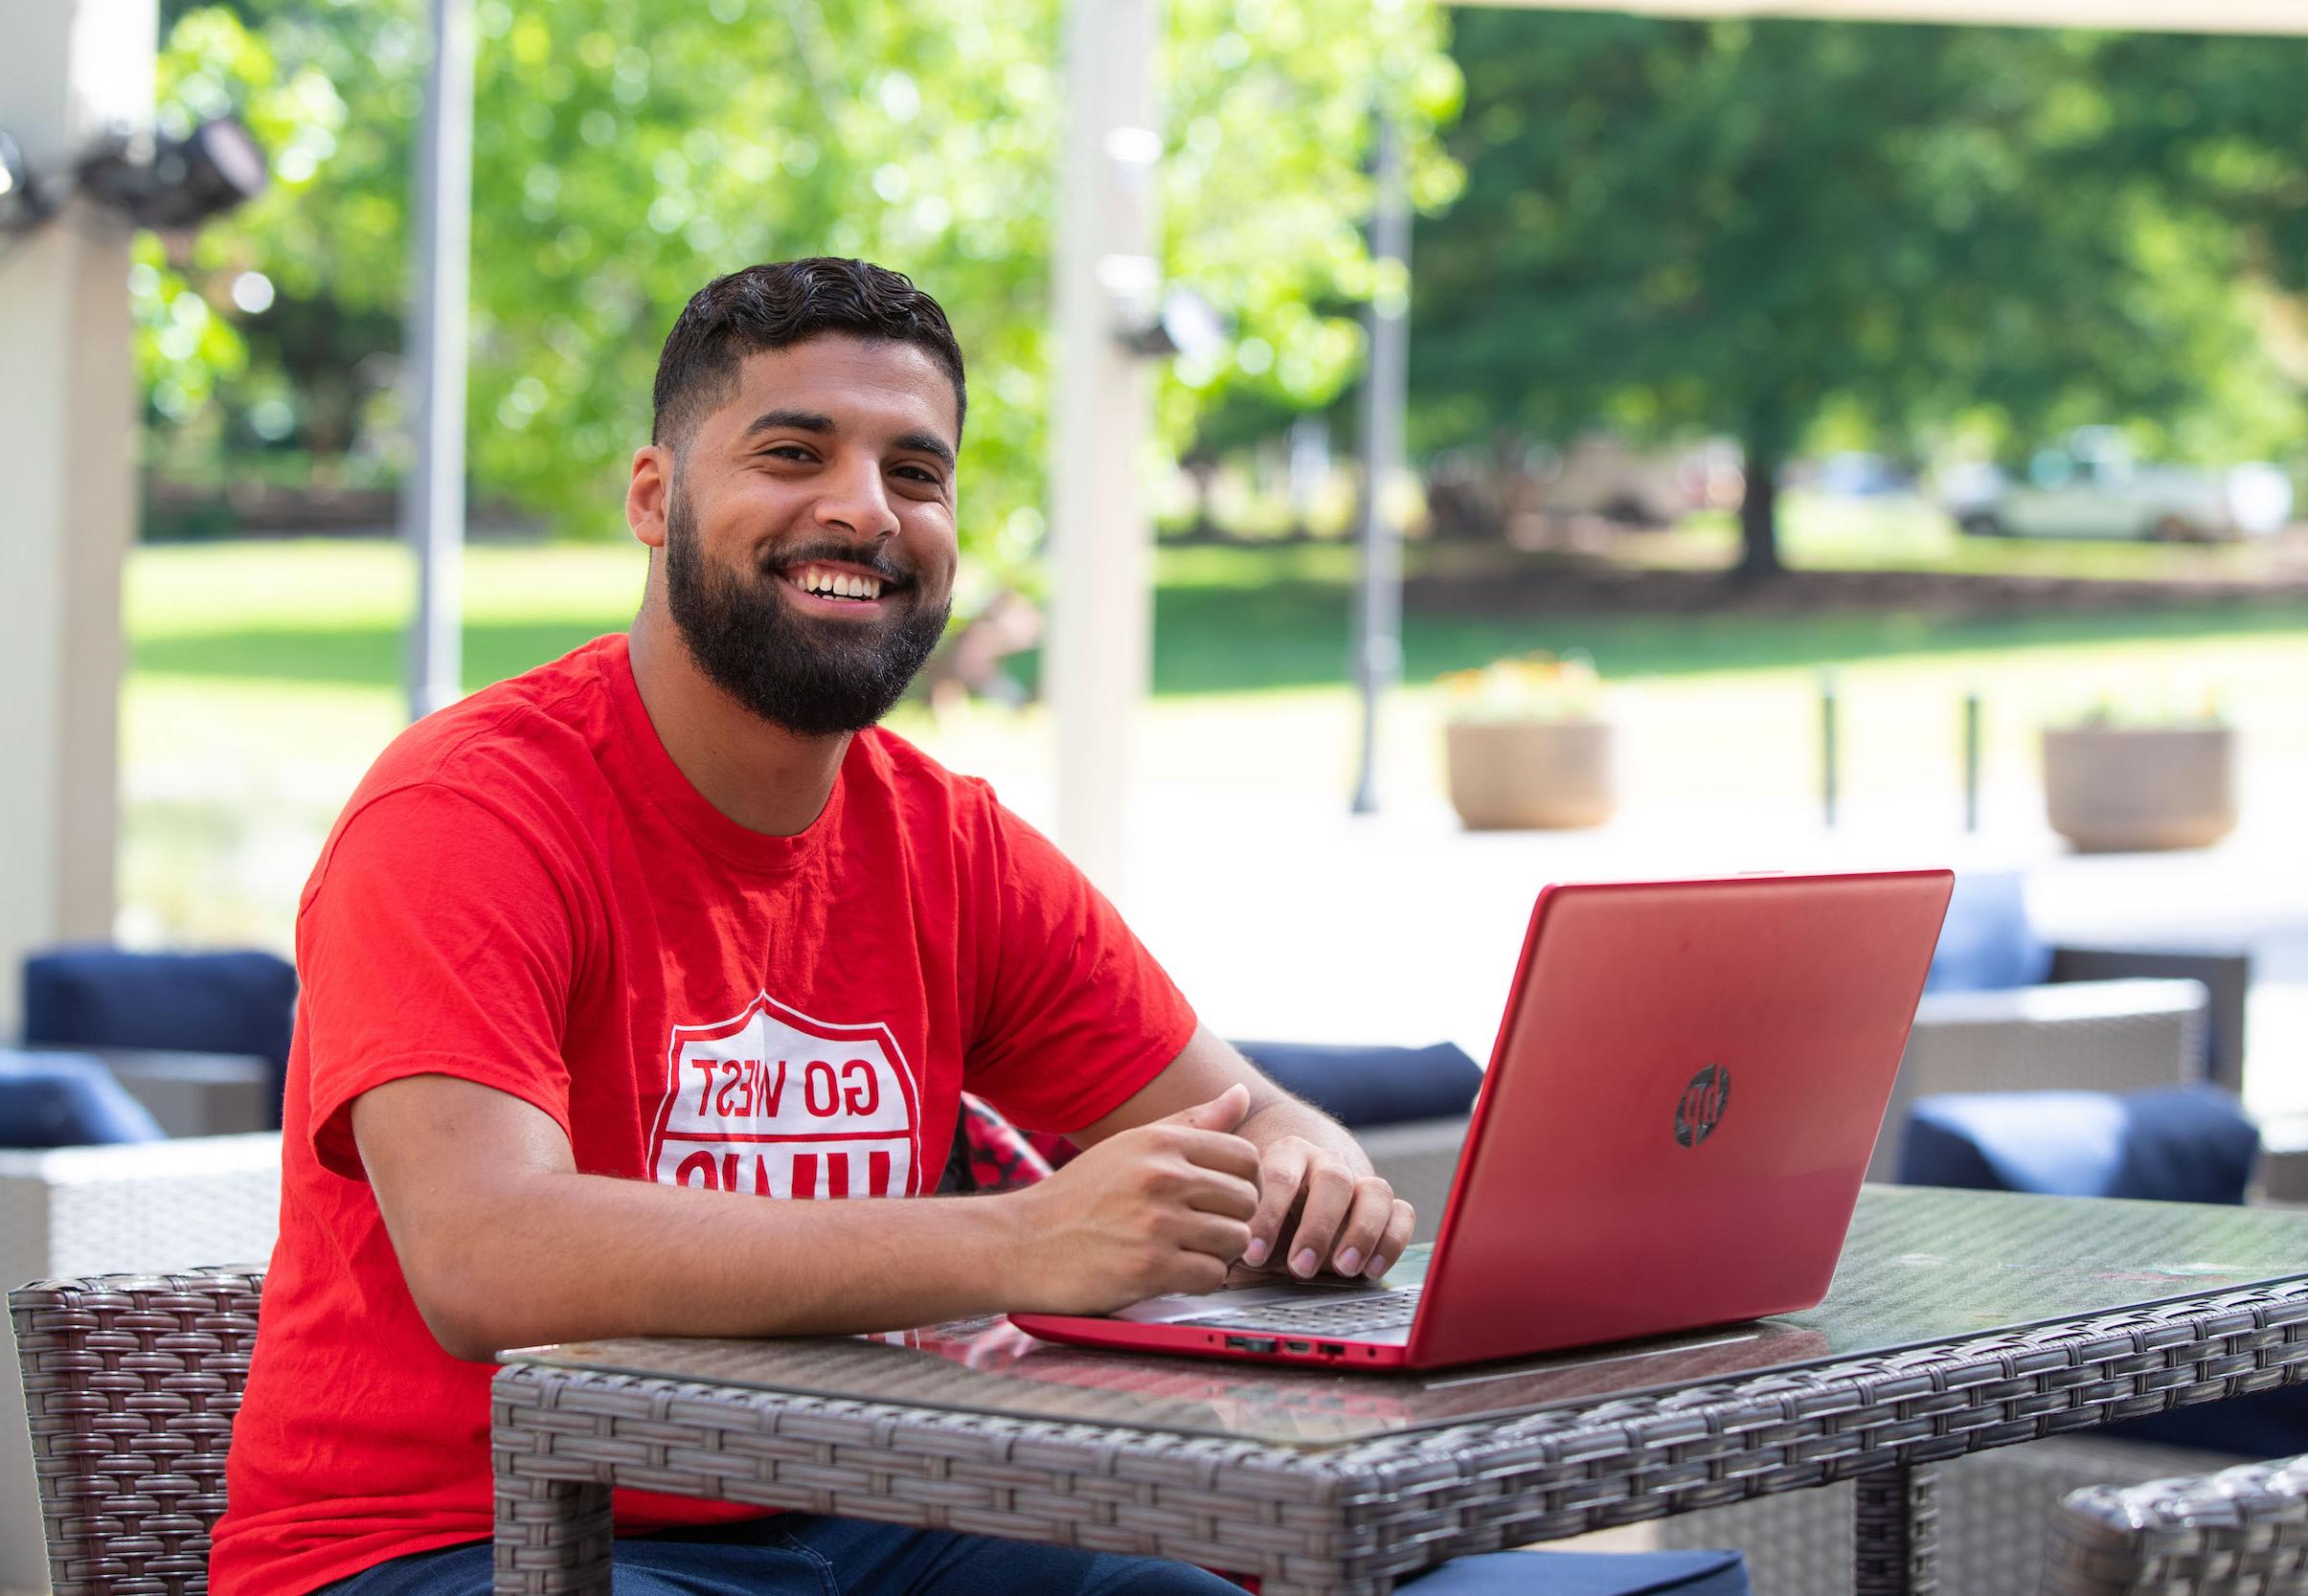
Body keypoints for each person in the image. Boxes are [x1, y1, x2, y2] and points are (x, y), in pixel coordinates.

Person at [210, 258, 1415, 1596]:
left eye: (917, 472)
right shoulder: (466, 812)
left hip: (860, 1500)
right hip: (455, 1541)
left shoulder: (949, 843)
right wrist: (1023, 1240)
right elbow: (488, 1256)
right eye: (794, 453)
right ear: (655, 498)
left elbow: (1262, 1122)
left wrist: (1317, 1180)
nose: (864, 511)